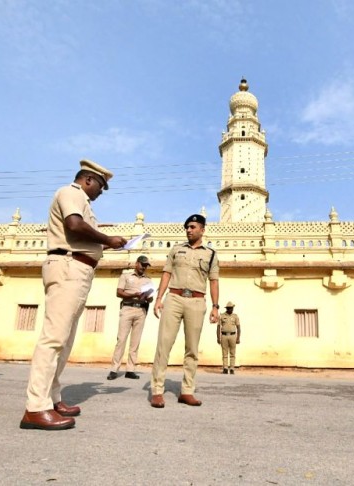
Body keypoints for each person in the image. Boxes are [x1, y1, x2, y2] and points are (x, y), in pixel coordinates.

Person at [20, 159, 126, 431]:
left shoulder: (83, 202)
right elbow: (74, 226)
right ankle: (35, 408)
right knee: (53, 338)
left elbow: (82, 230)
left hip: (79, 269)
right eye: (101, 186)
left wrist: (104, 242)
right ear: (89, 179)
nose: (101, 191)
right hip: (67, 266)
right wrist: (108, 240)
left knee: (64, 340)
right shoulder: (70, 193)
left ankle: (52, 398)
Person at [150, 214, 220, 409]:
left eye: (192, 227)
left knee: (192, 348)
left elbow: (214, 281)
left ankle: (187, 391)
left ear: (202, 229)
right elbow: (167, 273)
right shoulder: (176, 249)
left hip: (197, 301)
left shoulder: (211, 254)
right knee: (164, 345)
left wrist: (215, 307)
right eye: (187, 227)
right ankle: (157, 390)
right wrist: (159, 299)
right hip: (174, 298)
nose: (189, 230)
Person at [107, 255, 153, 381]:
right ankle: (114, 369)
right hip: (127, 308)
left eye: (146, 266)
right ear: (136, 264)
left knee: (135, 342)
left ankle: (130, 369)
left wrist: (147, 296)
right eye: (142, 264)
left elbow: (151, 298)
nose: (144, 267)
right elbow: (119, 292)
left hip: (141, 310)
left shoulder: (148, 280)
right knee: (121, 340)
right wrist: (134, 294)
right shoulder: (126, 276)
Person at [217, 301, 240, 375]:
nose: (231, 309)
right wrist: (218, 337)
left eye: (232, 308)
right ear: (227, 308)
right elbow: (218, 327)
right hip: (224, 336)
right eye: (230, 308)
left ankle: (232, 368)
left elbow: (238, 327)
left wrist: (238, 338)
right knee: (224, 353)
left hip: (233, 336)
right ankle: (225, 368)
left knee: (232, 353)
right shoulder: (222, 316)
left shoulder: (235, 316)